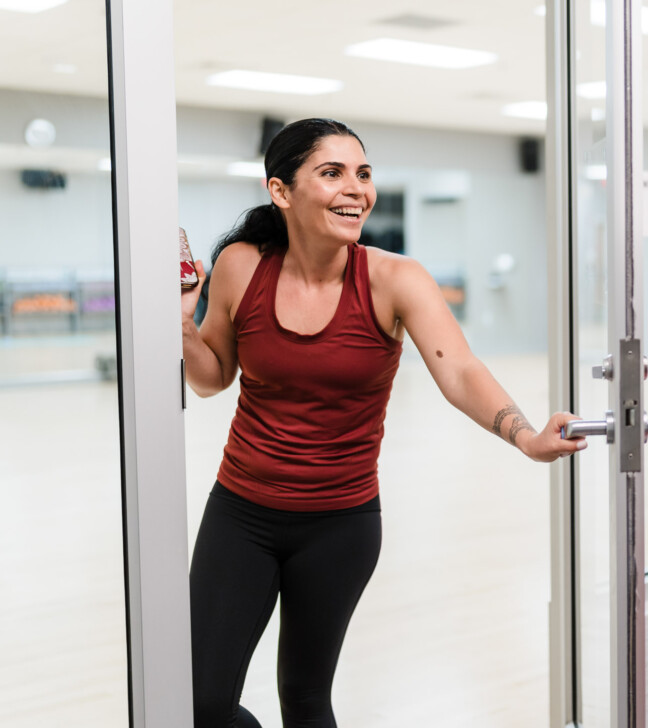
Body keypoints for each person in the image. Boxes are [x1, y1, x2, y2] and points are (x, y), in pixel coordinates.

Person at [179, 117, 585, 728]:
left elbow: (460, 371)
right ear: (281, 191)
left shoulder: (395, 279)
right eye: (332, 172)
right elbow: (212, 377)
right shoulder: (242, 265)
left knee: (306, 699)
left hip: (339, 525)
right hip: (241, 512)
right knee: (201, 703)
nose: (356, 189)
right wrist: (183, 322)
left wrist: (525, 436)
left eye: (363, 173)